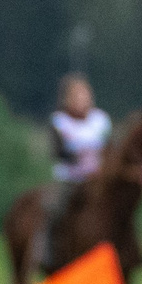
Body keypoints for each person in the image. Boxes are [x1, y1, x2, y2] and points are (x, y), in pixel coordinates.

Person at [38, 75, 112, 273]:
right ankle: (46, 251)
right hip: (71, 179)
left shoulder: (101, 121)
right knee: (54, 208)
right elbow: (57, 152)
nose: (83, 99)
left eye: (85, 94)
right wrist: (80, 158)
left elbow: (110, 147)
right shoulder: (59, 122)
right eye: (77, 95)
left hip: (97, 180)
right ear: (67, 99)